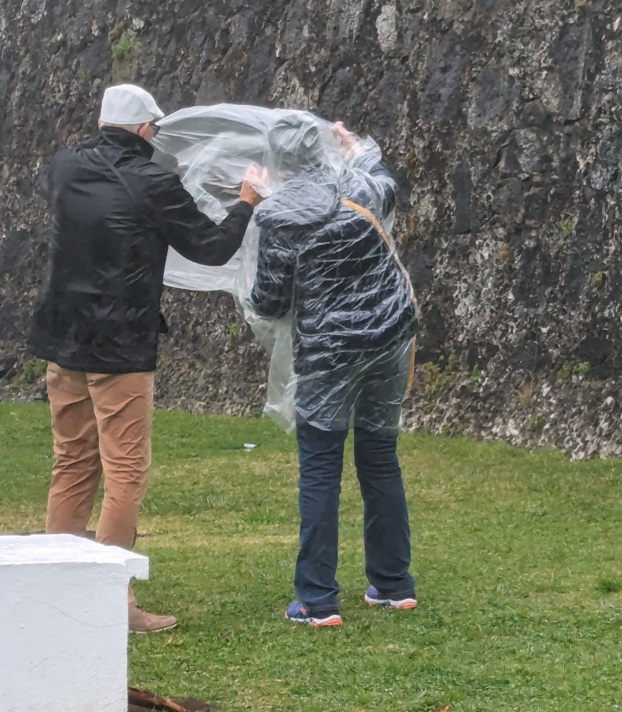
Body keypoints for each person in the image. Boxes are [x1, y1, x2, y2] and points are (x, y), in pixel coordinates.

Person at [29, 84, 265, 633]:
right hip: (119, 348)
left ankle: (54, 591)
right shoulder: (152, 181)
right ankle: (112, 602)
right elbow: (210, 248)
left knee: (72, 462)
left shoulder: (64, 167)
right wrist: (247, 202)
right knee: (125, 472)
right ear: (142, 130)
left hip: (62, 341)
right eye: (153, 130)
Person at [250, 115, 419, 627]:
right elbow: (386, 182)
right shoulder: (358, 186)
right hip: (390, 337)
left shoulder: (279, 217)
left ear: (278, 162)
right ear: (321, 150)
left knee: (321, 468)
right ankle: (393, 584)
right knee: (379, 456)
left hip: (329, 355)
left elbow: (269, 301)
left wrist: (258, 207)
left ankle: (317, 599)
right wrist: (356, 148)